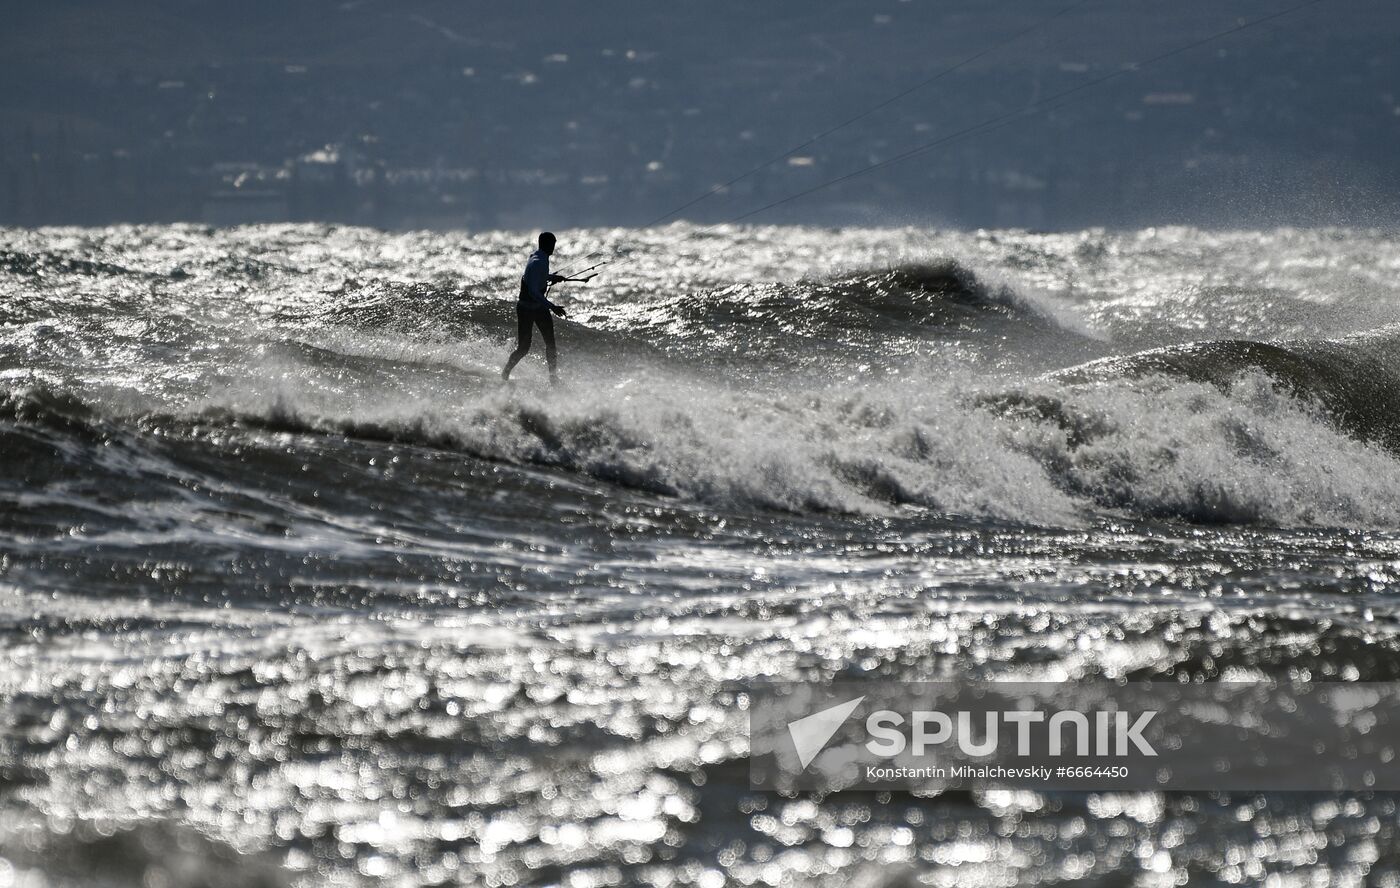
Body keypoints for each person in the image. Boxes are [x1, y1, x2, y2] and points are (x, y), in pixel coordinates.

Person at [501, 231, 567, 383]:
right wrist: (552, 306)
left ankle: (553, 377)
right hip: (526, 309)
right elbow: (533, 291)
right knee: (523, 348)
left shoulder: (539, 257)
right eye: (552, 244)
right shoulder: (537, 261)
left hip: (538, 308)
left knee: (551, 344)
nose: (554, 247)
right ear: (547, 244)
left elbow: (536, 277)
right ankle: (505, 374)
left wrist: (552, 277)